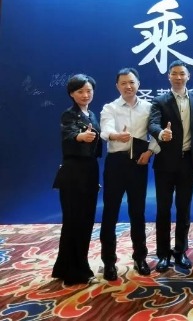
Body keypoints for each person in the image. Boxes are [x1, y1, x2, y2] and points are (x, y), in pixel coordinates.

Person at [99, 68, 159, 281]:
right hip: (116, 163)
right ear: (117, 86)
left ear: (138, 84)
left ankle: (140, 258)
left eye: (131, 82)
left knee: (138, 212)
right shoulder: (110, 107)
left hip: (138, 162)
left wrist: (150, 152)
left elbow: (156, 132)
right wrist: (116, 135)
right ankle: (108, 262)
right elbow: (105, 130)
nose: (128, 86)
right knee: (110, 213)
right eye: (123, 83)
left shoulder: (149, 107)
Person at [149, 60, 193, 273]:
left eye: (182, 73)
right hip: (165, 163)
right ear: (169, 77)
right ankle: (163, 254)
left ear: (188, 76)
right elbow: (153, 123)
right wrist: (161, 133)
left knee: (184, 209)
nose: (178, 77)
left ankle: (180, 252)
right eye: (174, 73)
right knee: (163, 210)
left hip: (188, 162)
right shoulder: (160, 101)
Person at [52, 74, 101, 286]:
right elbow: (70, 134)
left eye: (89, 91)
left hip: (90, 171)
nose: (85, 95)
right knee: (73, 221)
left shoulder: (92, 114)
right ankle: (72, 271)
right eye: (80, 91)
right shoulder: (69, 114)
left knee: (86, 221)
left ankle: (72, 265)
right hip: (73, 173)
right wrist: (80, 137)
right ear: (72, 93)